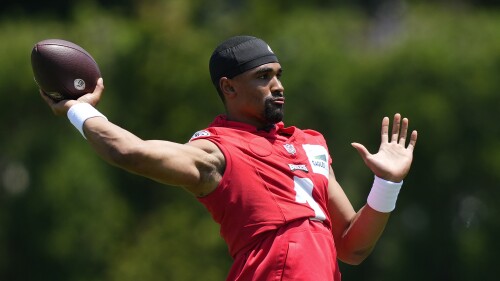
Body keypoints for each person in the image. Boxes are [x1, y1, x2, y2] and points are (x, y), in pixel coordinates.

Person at [40, 35, 417, 281]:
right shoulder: (217, 150)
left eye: (279, 75)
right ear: (229, 87)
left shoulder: (310, 143)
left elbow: (352, 247)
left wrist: (387, 184)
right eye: (264, 76)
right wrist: (78, 110)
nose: (279, 86)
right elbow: (128, 151)